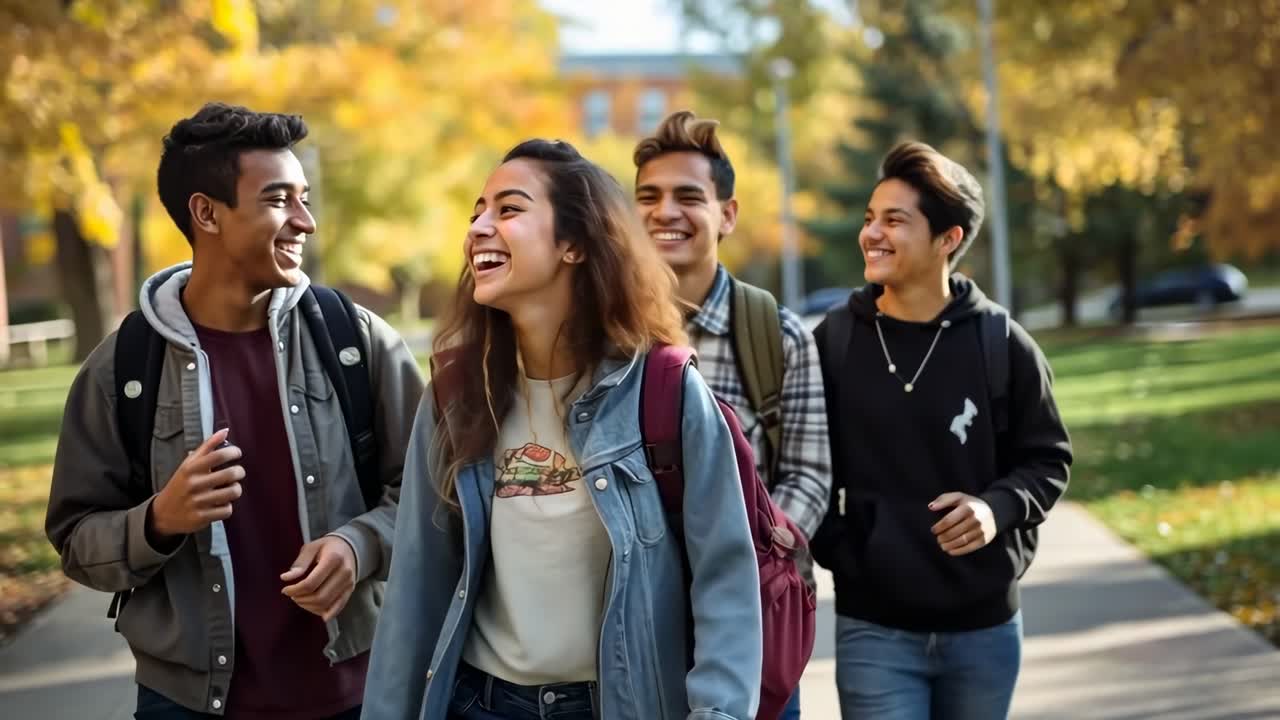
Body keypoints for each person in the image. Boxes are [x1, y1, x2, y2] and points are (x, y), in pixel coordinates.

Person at [45, 102, 425, 719]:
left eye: (305, 198)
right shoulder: (121, 369)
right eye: (280, 199)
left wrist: (361, 545)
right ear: (206, 213)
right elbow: (75, 539)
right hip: (187, 705)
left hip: (359, 691)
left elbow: (434, 491)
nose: (306, 221)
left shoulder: (355, 339)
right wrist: (159, 519)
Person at [361, 139, 763, 720]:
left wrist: (719, 712)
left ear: (574, 244)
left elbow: (724, 578)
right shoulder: (455, 394)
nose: (478, 227)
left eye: (509, 209)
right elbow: (416, 590)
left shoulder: (665, 389)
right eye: (477, 211)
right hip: (479, 703)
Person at [810, 141, 1073, 719]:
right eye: (870, 218)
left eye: (894, 220)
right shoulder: (835, 342)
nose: (872, 233)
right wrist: (848, 552)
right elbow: (802, 464)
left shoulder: (1002, 343)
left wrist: (995, 508)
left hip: (985, 631)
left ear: (948, 239)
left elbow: (1048, 460)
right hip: (873, 627)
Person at [633, 110, 832, 720]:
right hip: (630, 628)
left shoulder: (777, 335)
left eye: (688, 197)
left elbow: (809, 477)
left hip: (749, 632)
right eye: (648, 197)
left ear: (727, 213)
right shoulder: (605, 337)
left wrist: (743, 562)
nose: (665, 212)